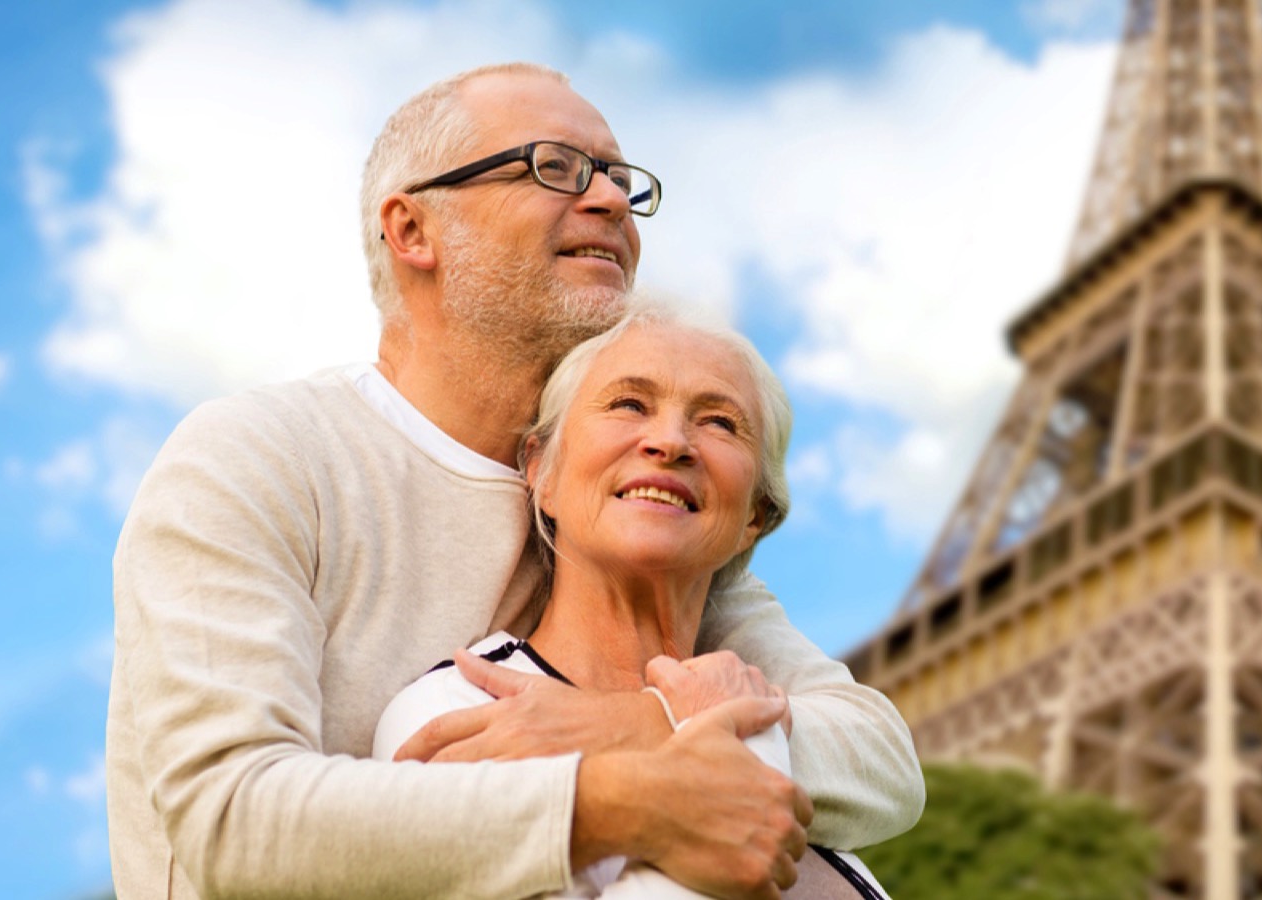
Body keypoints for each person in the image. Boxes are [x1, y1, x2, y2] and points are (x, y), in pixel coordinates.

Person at [107, 62, 921, 900]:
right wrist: (623, 797)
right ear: (412, 229)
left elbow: (877, 753)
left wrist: (635, 723)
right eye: (555, 167)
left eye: (618, 178)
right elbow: (232, 816)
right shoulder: (258, 457)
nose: (608, 200)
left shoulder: (624, 514)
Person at [373, 303, 890, 898]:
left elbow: (894, 774)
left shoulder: (761, 705)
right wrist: (738, 743)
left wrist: (685, 721)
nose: (670, 442)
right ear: (543, 472)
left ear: (756, 516)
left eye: (720, 422)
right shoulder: (456, 707)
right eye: (628, 404)